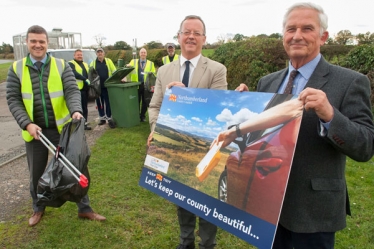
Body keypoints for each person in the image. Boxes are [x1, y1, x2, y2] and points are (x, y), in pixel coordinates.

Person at [232, 3, 374, 248]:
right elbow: (259, 132)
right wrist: (239, 105)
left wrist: (330, 115)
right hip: (267, 204)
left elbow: (365, 146)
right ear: (283, 36)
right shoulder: (267, 82)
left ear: (323, 36)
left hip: (313, 210)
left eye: (307, 28)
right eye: (291, 29)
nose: (297, 35)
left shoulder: (351, 81)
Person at [6, 25, 106, 227]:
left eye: (41, 41)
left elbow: (71, 90)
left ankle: (84, 209)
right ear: (27, 42)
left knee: (76, 170)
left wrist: (76, 110)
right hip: (34, 132)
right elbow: (13, 99)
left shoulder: (61, 65)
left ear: (47, 43)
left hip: (61, 130)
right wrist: (27, 124)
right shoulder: (16, 68)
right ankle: (38, 208)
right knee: (36, 174)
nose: (37, 45)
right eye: (33, 41)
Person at [148, 15, 228, 249]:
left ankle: (207, 244)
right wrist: (156, 129)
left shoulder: (217, 70)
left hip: (204, 146)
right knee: (179, 192)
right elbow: (154, 106)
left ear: (204, 38)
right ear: (179, 36)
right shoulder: (164, 71)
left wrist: (183, 99)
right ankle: (186, 242)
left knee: (206, 195)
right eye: (186, 32)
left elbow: (217, 110)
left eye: (196, 33)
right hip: (173, 148)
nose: (191, 36)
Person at [126, 48, 156, 122]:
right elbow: (128, 67)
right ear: (139, 54)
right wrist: (127, 65)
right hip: (136, 85)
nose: (143, 54)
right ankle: (136, 115)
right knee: (136, 101)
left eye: (144, 52)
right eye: (141, 52)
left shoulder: (151, 63)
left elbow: (154, 74)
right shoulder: (133, 61)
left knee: (145, 101)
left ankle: (142, 116)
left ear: (146, 54)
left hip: (146, 85)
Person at [90, 47, 116, 128]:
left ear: (103, 53)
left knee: (108, 102)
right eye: (98, 52)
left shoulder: (108, 61)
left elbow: (114, 71)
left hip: (107, 86)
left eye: (101, 52)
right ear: (96, 54)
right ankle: (102, 118)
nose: (100, 53)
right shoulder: (93, 63)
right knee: (99, 103)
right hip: (97, 88)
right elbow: (90, 74)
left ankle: (109, 118)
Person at [68, 49, 91, 130]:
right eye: (78, 55)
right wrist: (84, 79)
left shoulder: (85, 64)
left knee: (85, 108)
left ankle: (84, 124)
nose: (80, 56)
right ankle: (77, 126)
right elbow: (73, 73)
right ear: (74, 56)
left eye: (81, 55)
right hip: (76, 90)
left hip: (85, 89)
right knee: (77, 108)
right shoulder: (71, 63)